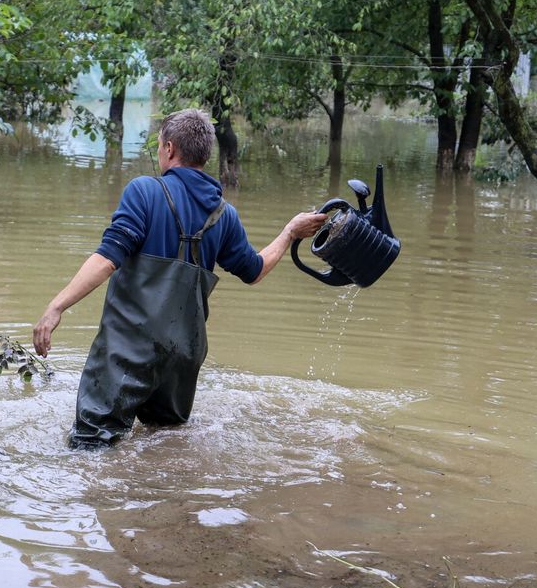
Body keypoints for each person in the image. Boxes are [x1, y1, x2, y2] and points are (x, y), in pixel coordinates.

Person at [32, 109, 329, 449]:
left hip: (127, 351)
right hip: (183, 356)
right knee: (164, 445)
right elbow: (255, 270)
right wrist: (289, 232)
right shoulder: (224, 215)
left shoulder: (144, 191)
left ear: (170, 149)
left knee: (90, 447)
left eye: (159, 147)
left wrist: (56, 306)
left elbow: (107, 258)